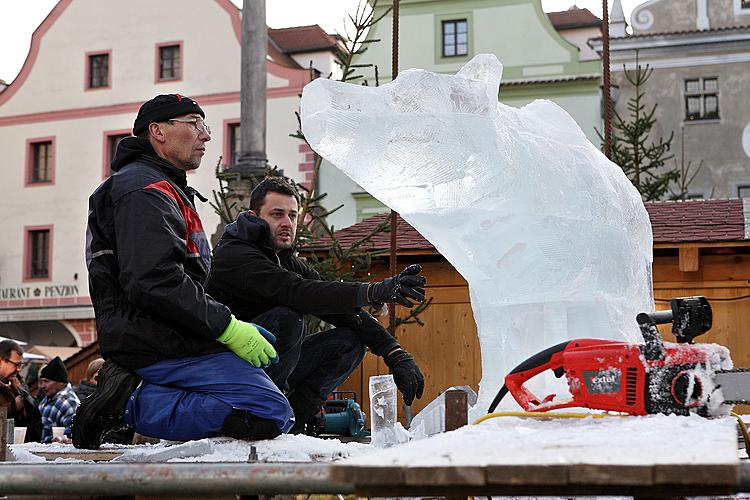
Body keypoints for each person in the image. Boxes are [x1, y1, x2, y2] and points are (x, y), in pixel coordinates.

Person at [73, 94, 292, 449]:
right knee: (266, 410)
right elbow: (153, 280)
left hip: (175, 335)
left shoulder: (165, 186)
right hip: (154, 339)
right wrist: (227, 327)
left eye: (204, 125)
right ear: (157, 131)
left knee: (279, 337)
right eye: (194, 124)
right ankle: (127, 402)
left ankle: (141, 393)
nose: (205, 135)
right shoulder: (144, 188)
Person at [207, 177, 427, 432]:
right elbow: (300, 292)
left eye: (292, 215)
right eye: (277, 214)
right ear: (252, 216)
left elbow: (335, 306)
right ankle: (258, 415)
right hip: (224, 377)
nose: (287, 223)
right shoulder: (235, 254)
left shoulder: (285, 259)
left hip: (263, 366)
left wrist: (394, 352)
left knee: (349, 343)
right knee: (289, 317)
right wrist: (374, 291)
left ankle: (291, 423)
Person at [0, 339, 42, 442]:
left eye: (20, 365)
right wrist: (14, 406)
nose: (19, 369)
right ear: (1, 361)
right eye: (16, 364)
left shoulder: (15, 384)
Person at [38, 356, 80, 443]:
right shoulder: (48, 398)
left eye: (46, 381)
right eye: (42, 382)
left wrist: (57, 440)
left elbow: (70, 437)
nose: (43, 386)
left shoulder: (70, 403)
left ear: (61, 382)